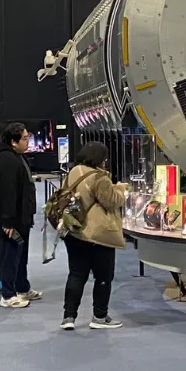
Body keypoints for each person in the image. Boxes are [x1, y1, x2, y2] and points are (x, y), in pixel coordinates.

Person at [58, 142, 127, 331]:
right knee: (104, 276)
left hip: (74, 231)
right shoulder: (99, 178)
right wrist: (121, 189)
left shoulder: (74, 172)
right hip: (98, 235)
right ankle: (99, 316)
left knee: (76, 274)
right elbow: (111, 201)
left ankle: (68, 316)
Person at [0, 123, 40, 308]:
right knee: (10, 256)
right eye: (25, 139)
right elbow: (8, 193)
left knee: (21, 255)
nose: (28, 142)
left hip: (22, 217)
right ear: (13, 141)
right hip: (12, 220)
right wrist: (8, 221)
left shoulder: (18, 157)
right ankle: (8, 295)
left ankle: (22, 287)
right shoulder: (7, 160)